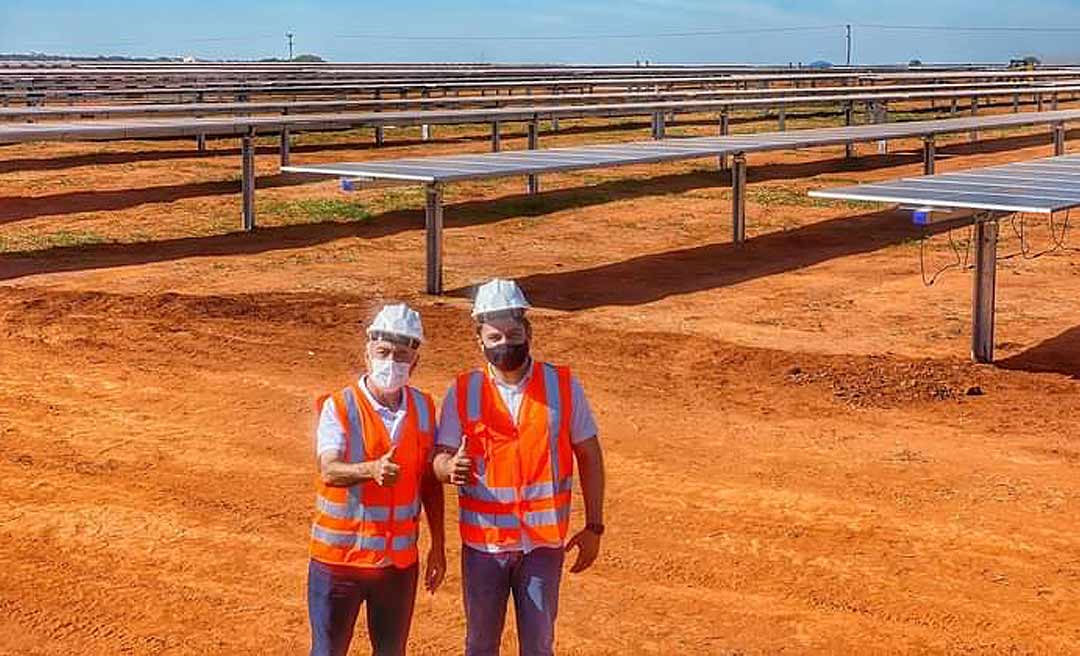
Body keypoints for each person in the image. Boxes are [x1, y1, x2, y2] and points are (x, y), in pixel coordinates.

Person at [433, 279, 606, 656]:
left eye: (513, 334)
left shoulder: (562, 386)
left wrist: (594, 526)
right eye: (494, 337)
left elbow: (590, 455)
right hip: (484, 546)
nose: (504, 344)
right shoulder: (462, 391)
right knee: (480, 644)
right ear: (479, 340)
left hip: (542, 547)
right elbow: (439, 459)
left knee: (539, 645)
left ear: (528, 332)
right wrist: (450, 468)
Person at [307, 303, 446, 656]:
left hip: (397, 565)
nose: (391, 363)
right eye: (383, 353)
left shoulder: (425, 408)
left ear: (415, 362)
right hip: (339, 562)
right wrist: (368, 470)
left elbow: (429, 482)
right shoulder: (339, 407)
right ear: (367, 354)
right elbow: (329, 469)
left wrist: (439, 546)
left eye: (401, 355)